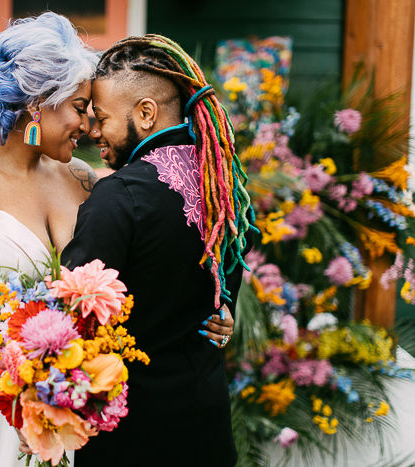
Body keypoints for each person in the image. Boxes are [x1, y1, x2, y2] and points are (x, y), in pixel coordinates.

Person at [0, 14, 232, 467]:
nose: (89, 126)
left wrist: (215, 308)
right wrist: (19, 400)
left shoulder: (83, 178)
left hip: (70, 404)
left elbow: (144, 272)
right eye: (78, 106)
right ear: (38, 103)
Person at [59, 35, 256, 466]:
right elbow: (219, 299)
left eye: (103, 117)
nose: (94, 131)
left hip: (131, 434)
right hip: (206, 425)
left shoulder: (119, 197)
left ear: (145, 113)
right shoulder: (226, 192)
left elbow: (70, 317)